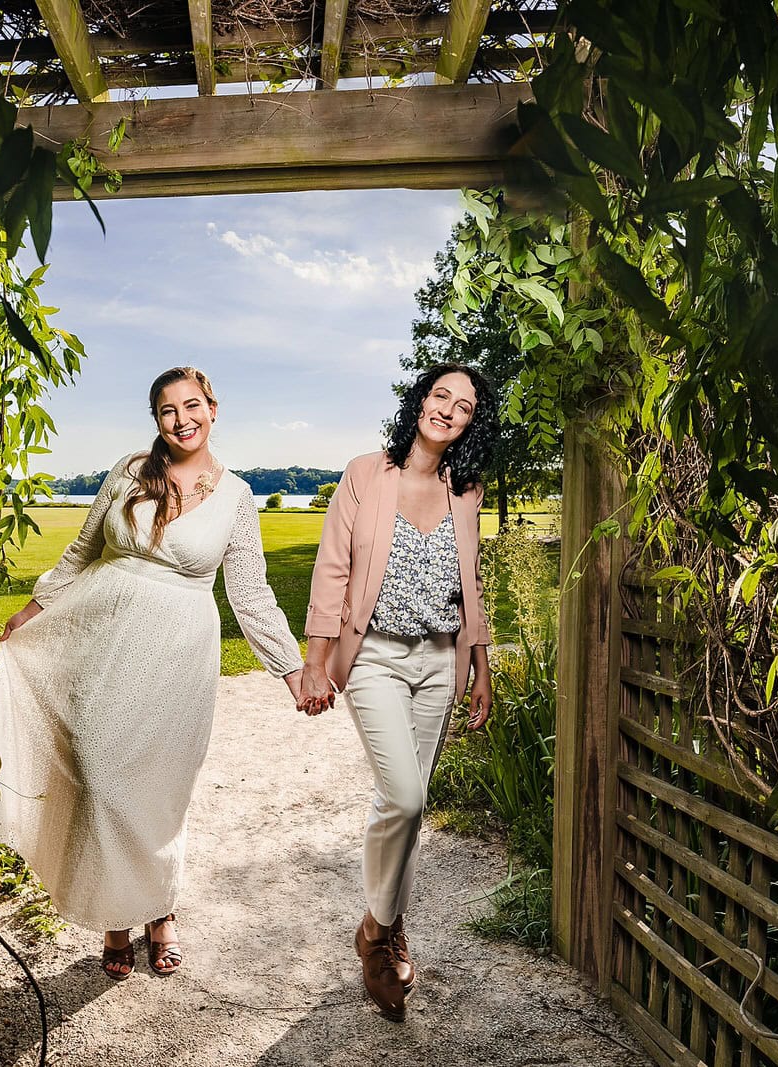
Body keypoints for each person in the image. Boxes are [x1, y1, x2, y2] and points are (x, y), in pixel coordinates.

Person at [0, 366, 305, 980]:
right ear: (155, 419)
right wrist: (31, 609)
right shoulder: (129, 472)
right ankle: (115, 917)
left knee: (160, 787)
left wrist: (292, 670)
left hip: (180, 654)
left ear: (213, 407)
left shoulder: (236, 497)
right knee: (99, 777)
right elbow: (80, 551)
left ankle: (161, 913)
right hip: (103, 640)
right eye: (167, 410)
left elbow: (252, 595)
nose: (182, 420)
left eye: (192, 406)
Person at [296, 363, 498, 1021]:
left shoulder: (465, 490)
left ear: (471, 424)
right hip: (377, 654)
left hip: (441, 661)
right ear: (420, 400)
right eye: (441, 394)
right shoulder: (365, 473)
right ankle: (380, 933)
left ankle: (382, 924)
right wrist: (316, 661)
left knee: (407, 807)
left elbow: (472, 583)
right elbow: (332, 566)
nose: (448, 409)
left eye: (463, 406)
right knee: (404, 797)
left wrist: (482, 666)